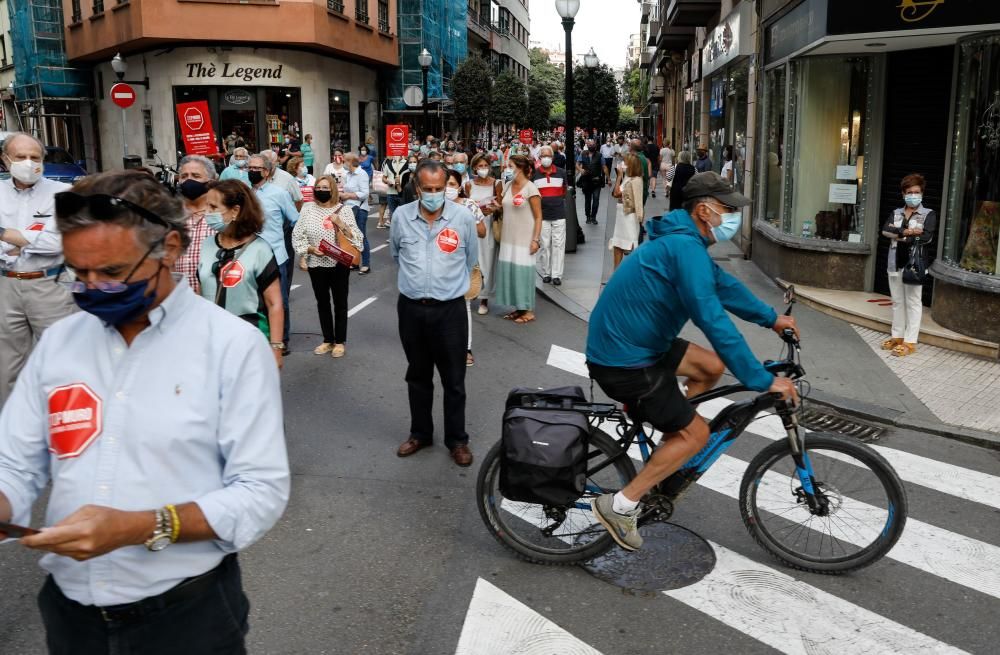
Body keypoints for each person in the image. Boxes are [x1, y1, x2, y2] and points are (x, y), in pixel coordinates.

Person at [0, 170, 289, 653]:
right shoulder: (58, 345)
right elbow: (15, 463)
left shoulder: (232, 347)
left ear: (170, 249)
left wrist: (144, 526)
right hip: (71, 617)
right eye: (78, 272)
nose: (93, 288)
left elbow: (260, 493)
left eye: (112, 272)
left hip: (186, 618)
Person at [586, 172, 798, 552]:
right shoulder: (684, 249)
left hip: (640, 344)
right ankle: (621, 504)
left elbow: (722, 286)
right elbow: (710, 316)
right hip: (624, 360)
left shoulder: (687, 244)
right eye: (728, 210)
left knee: (711, 367)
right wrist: (759, 378)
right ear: (704, 210)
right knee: (697, 435)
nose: (733, 216)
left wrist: (771, 317)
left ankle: (672, 442)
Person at [391, 161, 478, 467]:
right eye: (427, 189)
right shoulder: (401, 216)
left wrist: (446, 284)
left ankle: (457, 440)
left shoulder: (463, 218)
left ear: (446, 187)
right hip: (412, 309)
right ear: (417, 188)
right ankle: (420, 433)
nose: (433, 194)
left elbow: (470, 259)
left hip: (450, 311)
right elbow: (395, 253)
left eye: (438, 189)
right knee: (417, 375)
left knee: (454, 379)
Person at [0, 132, 74, 404]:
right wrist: (30, 240)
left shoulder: (62, 193)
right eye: (21, 157)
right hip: (5, 285)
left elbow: (58, 242)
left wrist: (5, 235)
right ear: (5, 160)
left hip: (49, 286)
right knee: (7, 366)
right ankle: (10, 429)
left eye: (35, 157)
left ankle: (62, 426)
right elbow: (44, 240)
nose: (29, 163)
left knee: (59, 360)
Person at [199, 180, 284, 369]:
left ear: (235, 211)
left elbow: (274, 303)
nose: (207, 212)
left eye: (213, 207)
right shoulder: (206, 245)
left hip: (250, 345)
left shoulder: (260, 250)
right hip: (211, 345)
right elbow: (201, 291)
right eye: (206, 205)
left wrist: (276, 348)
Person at [292, 175, 363, 358]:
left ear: (332, 190)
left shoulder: (344, 210)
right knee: (322, 302)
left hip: (339, 263)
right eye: (319, 187)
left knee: (340, 303)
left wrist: (340, 224)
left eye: (326, 187)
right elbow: (297, 235)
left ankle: (340, 341)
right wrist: (309, 250)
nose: (322, 190)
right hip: (317, 263)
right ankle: (327, 339)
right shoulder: (307, 209)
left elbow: (357, 238)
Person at [881, 173, 937, 357]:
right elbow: (885, 230)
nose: (914, 195)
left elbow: (927, 237)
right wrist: (909, 232)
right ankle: (897, 336)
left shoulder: (928, 214)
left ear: (921, 193)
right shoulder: (896, 213)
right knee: (897, 301)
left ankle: (910, 341)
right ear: (903, 194)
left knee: (913, 302)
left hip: (915, 263)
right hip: (895, 260)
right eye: (910, 192)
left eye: (917, 192)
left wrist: (899, 234)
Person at [248, 153, 299, 354]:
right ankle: (259, 338)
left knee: (280, 301)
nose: (251, 172)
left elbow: (296, 220)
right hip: (250, 257)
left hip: (275, 256)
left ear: (267, 172)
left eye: (256, 168)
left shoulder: (279, 194)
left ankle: (282, 340)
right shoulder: (244, 195)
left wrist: (302, 249)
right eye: (249, 168)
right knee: (254, 301)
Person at [445, 170, 487, 367]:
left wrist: (464, 221)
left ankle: (465, 348)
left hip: (463, 263)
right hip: (440, 263)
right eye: (445, 184)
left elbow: (482, 231)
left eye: (452, 184)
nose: (448, 188)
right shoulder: (436, 206)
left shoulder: (469, 205)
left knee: (464, 306)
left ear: (460, 186)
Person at [496, 155, 543, 324]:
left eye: (510, 166)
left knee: (524, 274)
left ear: (520, 168)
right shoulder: (508, 185)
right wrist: (496, 208)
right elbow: (504, 207)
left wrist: (535, 240)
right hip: (508, 238)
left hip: (525, 238)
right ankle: (519, 308)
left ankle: (528, 310)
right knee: (512, 273)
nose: (506, 168)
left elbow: (538, 217)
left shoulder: (531, 188)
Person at [173, 155, 219, 295]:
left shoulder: (220, 216)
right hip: (179, 300)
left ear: (210, 181)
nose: (189, 180)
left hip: (215, 300)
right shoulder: (172, 216)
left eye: (196, 175)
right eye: (184, 176)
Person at [466, 153, 502, 316]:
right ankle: (471, 290)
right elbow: (464, 205)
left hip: (489, 227)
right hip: (473, 226)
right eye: (479, 166)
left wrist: (495, 208)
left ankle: (484, 298)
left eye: (485, 166)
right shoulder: (468, 185)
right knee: (472, 260)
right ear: (474, 168)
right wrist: (476, 210)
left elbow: (501, 206)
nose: (483, 169)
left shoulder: (497, 184)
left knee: (487, 263)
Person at [531, 145, 568, 286]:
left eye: (548, 156)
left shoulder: (561, 172)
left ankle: (557, 274)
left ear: (552, 157)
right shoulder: (534, 174)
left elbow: (564, 191)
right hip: (542, 215)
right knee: (544, 245)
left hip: (559, 213)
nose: (546, 158)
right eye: (543, 156)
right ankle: (546, 273)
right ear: (539, 158)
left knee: (558, 245)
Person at [609, 153, 645, 270]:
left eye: (625, 162)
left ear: (631, 165)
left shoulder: (636, 180)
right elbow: (616, 194)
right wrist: (621, 176)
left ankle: (630, 274)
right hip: (621, 215)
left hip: (629, 216)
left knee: (631, 246)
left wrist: (619, 175)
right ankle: (616, 274)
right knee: (618, 244)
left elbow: (616, 193)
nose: (622, 164)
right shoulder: (627, 178)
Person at [341, 152, 372, 274]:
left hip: (360, 209)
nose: (343, 163)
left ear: (350, 162)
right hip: (348, 209)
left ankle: (365, 264)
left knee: (361, 235)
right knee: (350, 236)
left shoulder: (362, 174)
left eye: (344, 161)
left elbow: (365, 193)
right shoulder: (347, 175)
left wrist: (347, 195)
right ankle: (354, 262)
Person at [380, 152, 409, 229]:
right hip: (391, 193)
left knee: (404, 215)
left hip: (403, 193)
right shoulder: (388, 164)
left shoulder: (407, 163)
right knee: (393, 214)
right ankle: (393, 235)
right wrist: (387, 181)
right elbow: (383, 178)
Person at [577, 144, 604, 225]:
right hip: (586, 181)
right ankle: (588, 217)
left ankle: (593, 217)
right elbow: (577, 164)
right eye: (590, 145)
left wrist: (608, 178)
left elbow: (604, 166)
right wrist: (580, 169)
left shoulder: (599, 155)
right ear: (587, 147)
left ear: (595, 147)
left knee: (596, 199)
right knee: (588, 200)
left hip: (596, 181)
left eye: (593, 145)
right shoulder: (583, 154)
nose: (591, 147)